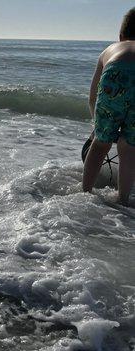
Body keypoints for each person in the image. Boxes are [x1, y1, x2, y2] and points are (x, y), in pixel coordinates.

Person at [83, 8, 135, 206]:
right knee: (129, 148)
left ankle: (86, 193)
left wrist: (97, 125)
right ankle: (123, 199)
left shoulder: (110, 50)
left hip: (115, 72)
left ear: (120, 36)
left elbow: (93, 95)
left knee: (100, 144)